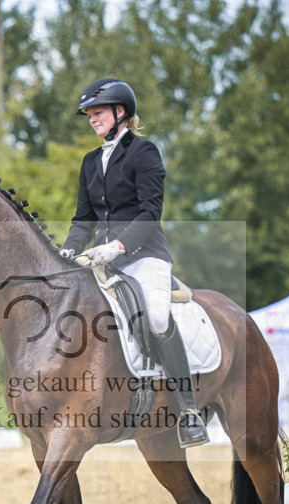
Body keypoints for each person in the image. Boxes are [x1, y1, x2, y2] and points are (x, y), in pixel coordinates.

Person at [59, 77, 209, 447]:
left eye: (97, 113)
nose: (92, 119)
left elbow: (150, 213)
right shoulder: (91, 161)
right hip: (101, 259)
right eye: (89, 115)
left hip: (144, 256)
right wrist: (67, 250)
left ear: (119, 112)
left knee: (156, 315)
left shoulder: (144, 153)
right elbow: (84, 219)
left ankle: (188, 410)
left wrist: (119, 246)